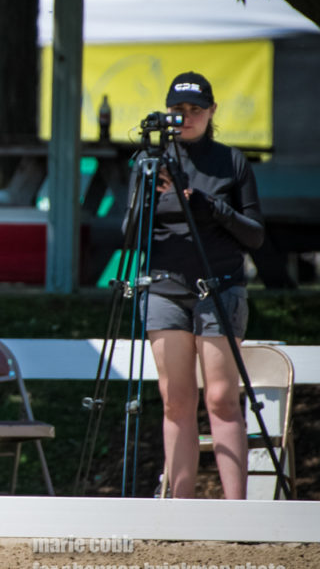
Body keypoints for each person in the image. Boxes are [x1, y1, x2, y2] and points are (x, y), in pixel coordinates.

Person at [125, 71, 265, 499]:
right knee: (175, 401)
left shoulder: (231, 161)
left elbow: (256, 235)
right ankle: (180, 507)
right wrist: (150, 192)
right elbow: (129, 236)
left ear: (211, 111)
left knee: (222, 398)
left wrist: (207, 206)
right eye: (178, 111)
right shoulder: (148, 163)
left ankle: (237, 511)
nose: (186, 118)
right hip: (165, 288)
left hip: (220, 286)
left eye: (196, 110)